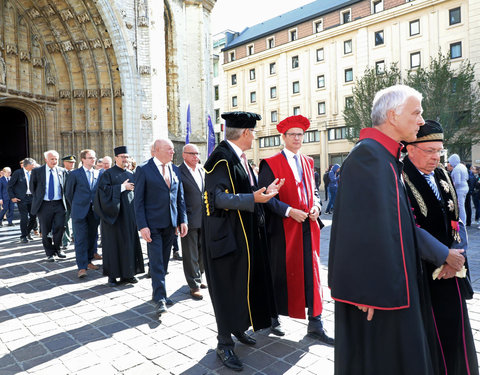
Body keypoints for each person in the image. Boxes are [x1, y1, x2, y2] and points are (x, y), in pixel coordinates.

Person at [328, 84, 466, 375]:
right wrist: (364, 292)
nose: (420, 120)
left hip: (392, 291)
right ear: (392, 115)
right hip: (379, 298)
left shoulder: (382, 156)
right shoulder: (369, 157)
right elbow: (357, 232)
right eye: (416, 112)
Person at [202, 111, 284, 371]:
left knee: (241, 287)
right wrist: (254, 199)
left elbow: (236, 191)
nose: (255, 136)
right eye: (254, 132)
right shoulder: (220, 159)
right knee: (227, 290)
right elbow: (217, 198)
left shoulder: (238, 158)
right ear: (246, 133)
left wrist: (261, 193)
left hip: (241, 236)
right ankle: (224, 343)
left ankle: (237, 330)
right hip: (225, 239)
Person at [402, 120, 478, 375]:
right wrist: (442, 258)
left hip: (451, 271)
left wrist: (457, 257)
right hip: (423, 273)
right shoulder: (400, 178)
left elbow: (456, 220)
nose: (436, 157)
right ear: (410, 149)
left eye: (439, 151)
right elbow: (407, 228)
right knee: (431, 341)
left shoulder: (442, 174)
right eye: (430, 151)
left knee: (456, 335)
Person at [258, 115, 333, 344]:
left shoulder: (309, 162)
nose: (297, 138)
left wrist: (317, 207)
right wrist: (289, 211)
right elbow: (265, 197)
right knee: (278, 273)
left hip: (308, 228)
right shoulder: (270, 163)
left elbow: (315, 194)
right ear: (284, 137)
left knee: (312, 275)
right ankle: (272, 317)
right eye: (292, 135)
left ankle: (315, 322)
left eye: (300, 134)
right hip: (282, 230)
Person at [134, 138, 188, 315]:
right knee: (156, 262)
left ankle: (159, 292)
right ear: (156, 150)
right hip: (152, 225)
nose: (173, 152)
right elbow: (139, 201)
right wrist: (142, 226)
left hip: (170, 225)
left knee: (164, 263)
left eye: (173, 149)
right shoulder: (143, 169)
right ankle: (160, 298)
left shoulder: (175, 169)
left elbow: (179, 198)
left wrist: (183, 220)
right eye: (169, 149)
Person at [94, 146, 144, 287]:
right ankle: (112, 276)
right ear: (116, 158)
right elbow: (102, 193)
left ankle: (129, 274)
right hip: (113, 218)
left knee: (129, 244)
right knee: (113, 246)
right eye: (122, 157)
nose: (125, 159)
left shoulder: (131, 173)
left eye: (127, 157)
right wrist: (121, 188)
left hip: (129, 217)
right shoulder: (107, 174)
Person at [65, 149, 101, 278]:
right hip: (79, 212)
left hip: (94, 212)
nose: (93, 160)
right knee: (80, 239)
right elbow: (68, 193)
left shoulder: (99, 173)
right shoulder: (75, 174)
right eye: (90, 157)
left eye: (94, 157)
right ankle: (81, 267)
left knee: (92, 237)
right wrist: (76, 206)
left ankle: (89, 260)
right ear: (83, 160)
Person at [179, 143, 206, 300]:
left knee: (203, 251)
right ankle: (193, 285)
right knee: (190, 253)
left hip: (204, 218)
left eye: (197, 154)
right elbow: (178, 198)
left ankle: (200, 276)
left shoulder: (202, 170)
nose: (196, 156)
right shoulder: (178, 172)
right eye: (192, 154)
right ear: (184, 155)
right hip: (188, 219)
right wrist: (181, 220)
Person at [30, 150, 67, 261]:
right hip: (44, 204)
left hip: (59, 203)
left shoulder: (62, 171)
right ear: (46, 159)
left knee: (60, 227)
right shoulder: (37, 171)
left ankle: (58, 249)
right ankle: (49, 253)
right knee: (45, 230)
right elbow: (33, 188)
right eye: (52, 159)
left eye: (56, 159)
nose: (54, 161)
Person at [8, 158, 37, 243]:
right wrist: (12, 197)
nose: (35, 166)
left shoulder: (34, 172)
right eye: (33, 164)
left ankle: (27, 232)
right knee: (24, 217)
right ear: (28, 165)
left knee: (33, 217)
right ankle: (23, 236)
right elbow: (10, 186)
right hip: (22, 198)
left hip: (32, 198)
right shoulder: (18, 173)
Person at [447, 154, 469, 225]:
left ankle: (462, 222)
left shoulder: (457, 169)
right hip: (465, 187)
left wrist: (451, 187)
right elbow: (467, 178)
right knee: (462, 206)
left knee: (461, 207)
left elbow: (457, 182)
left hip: (460, 189)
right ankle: (463, 221)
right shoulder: (462, 166)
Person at [61, 155, 76, 249]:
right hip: (64, 201)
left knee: (76, 219)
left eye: (73, 162)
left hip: (76, 200)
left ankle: (75, 236)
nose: (72, 164)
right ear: (64, 163)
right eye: (70, 162)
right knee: (65, 221)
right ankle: (66, 240)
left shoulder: (77, 173)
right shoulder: (60, 172)